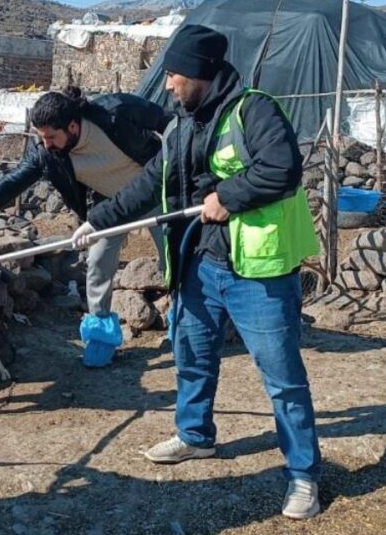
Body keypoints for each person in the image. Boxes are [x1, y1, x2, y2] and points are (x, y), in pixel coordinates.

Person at [72, 25, 323, 519]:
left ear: (202, 74)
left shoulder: (255, 110)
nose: (167, 85)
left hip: (258, 270)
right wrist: (97, 222)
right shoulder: (182, 122)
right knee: (192, 353)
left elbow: (283, 169)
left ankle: (303, 475)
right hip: (199, 262)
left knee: (283, 377)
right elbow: (149, 183)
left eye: (174, 75)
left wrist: (227, 198)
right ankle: (195, 436)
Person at [0, 88, 167, 365]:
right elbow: (13, 182)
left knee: (174, 261)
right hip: (108, 208)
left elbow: (170, 123)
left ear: (72, 126)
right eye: (41, 137)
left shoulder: (116, 111)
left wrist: (183, 167)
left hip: (157, 193)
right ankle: (100, 338)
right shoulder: (48, 154)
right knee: (97, 265)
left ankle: (184, 328)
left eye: (51, 136)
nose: (46, 143)